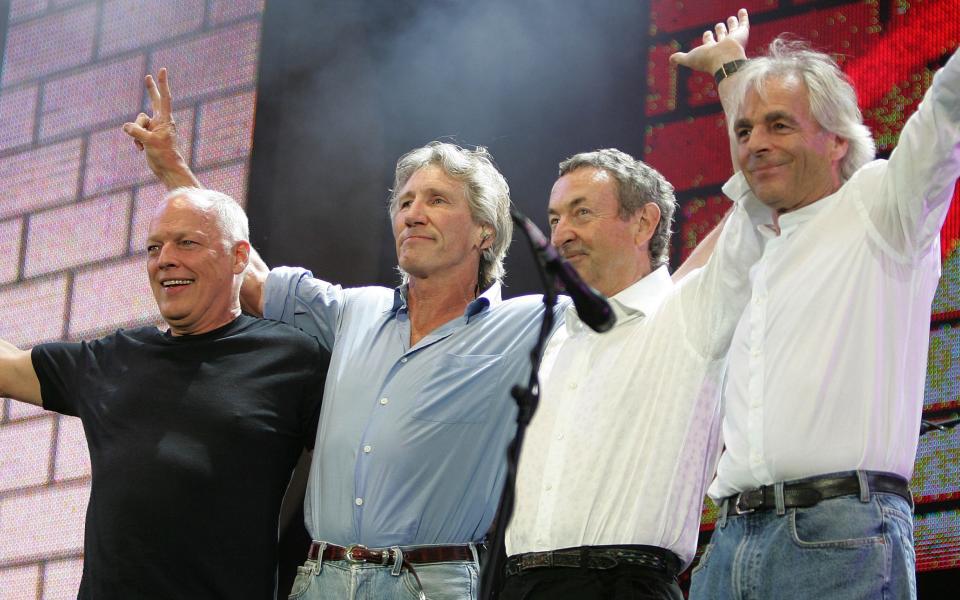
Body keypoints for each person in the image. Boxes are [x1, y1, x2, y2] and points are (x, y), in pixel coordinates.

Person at [123, 71, 569, 600]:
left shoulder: (529, 324)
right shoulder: (354, 310)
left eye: (436, 201)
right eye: (404, 203)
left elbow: (648, 316)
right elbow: (243, 271)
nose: (413, 214)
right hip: (321, 579)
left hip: (432, 584)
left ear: (484, 232)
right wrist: (173, 167)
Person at [670, 10, 960, 598]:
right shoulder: (755, 243)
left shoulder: (881, 210)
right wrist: (731, 68)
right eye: (746, 131)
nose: (757, 144)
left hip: (840, 537)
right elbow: (754, 156)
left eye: (780, 125)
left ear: (837, 139)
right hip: (729, 542)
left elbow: (944, 113)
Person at [0, 188, 328, 599]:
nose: (165, 259)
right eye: (155, 247)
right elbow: (8, 367)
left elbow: (359, 464)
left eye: (187, 242)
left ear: (239, 257)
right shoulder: (116, 358)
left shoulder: (291, 358)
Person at [500, 148, 764, 600]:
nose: (561, 233)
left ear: (644, 223)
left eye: (582, 212)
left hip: (623, 584)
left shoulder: (688, 315)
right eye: (555, 217)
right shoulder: (548, 333)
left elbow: (756, 208)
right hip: (516, 585)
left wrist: (732, 76)